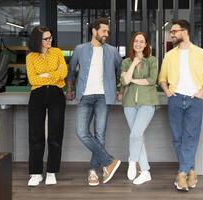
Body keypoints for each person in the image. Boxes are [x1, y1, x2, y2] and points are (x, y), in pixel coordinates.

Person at [159, 19, 203, 191]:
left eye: (174, 31)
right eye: (171, 32)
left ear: (185, 32)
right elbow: (162, 78)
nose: (172, 34)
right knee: (177, 137)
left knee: (191, 137)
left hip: (195, 100)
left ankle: (182, 174)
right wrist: (167, 91)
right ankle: (190, 171)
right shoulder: (169, 55)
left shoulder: (201, 53)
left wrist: (200, 93)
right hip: (175, 99)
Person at [67, 17, 122, 186]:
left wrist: (120, 90)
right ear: (94, 31)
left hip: (103, 97)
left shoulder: (113, 51)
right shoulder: (80, 49)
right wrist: (69, 89)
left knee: (100, 135)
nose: (107, 34)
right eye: (104, 31)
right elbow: (70, 71)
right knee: (81, 131)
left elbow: (120, 72)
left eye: (108, 31)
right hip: (84, 96)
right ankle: (109, 161)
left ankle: (93, 171)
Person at [26, 26, 68, 186]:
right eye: (46, 38)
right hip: (37, 95)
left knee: (55, 134)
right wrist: (53, 74)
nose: (50, 40)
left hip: (56, 94)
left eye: (50, 37)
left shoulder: (57, 52)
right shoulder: (30, 57)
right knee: (35, 134)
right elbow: (33, 79)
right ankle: (36, 173)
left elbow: (63, 72)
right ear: (38, 40)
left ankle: (51, 172)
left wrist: (46, 75)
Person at [120, 32, 158, 185]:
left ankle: (132, 161)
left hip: (147, 102)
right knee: (138, 136)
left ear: (146, 44)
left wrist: (132, 80)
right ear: (132, 43)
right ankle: (145, 171)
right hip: (129, 103)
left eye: (142, 41)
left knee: (136, 134)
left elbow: (151, 80)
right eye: (136, 41)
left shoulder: (152, 60)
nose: (138, 44)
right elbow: (124, 81)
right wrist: (134, 64)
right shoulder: (126, 62)